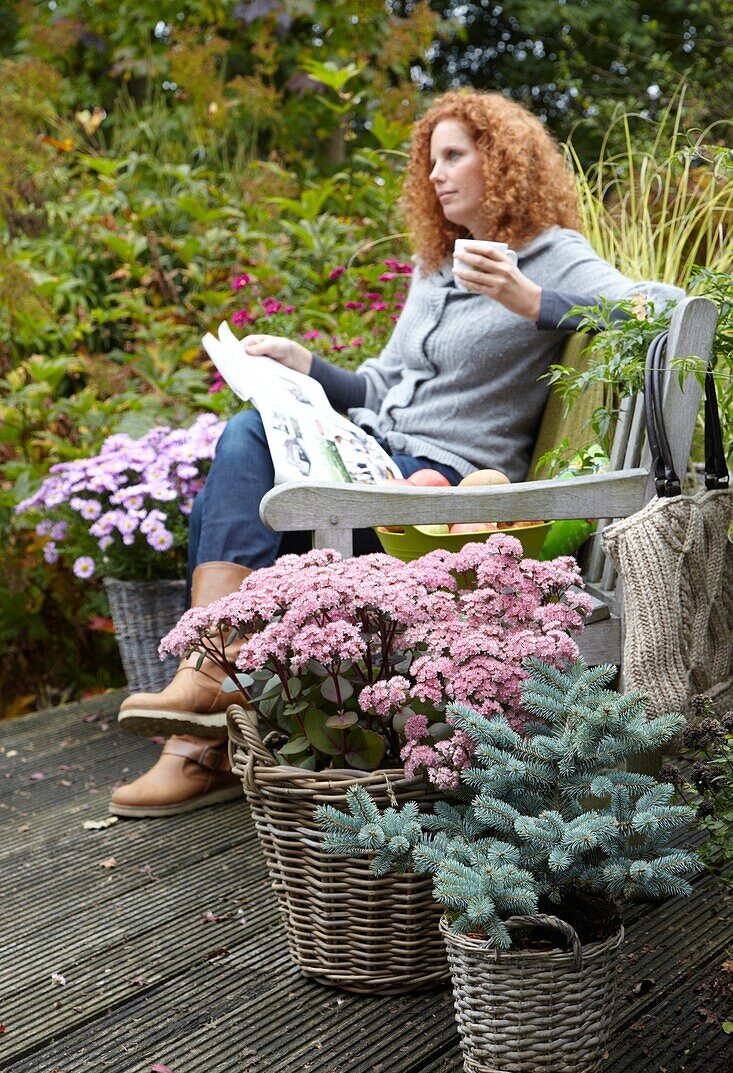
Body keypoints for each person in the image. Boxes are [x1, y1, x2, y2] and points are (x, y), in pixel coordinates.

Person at [109, 90, 682, 818]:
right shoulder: (434, 267)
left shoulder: (552, 253)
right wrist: (304, 364)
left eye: (454, 156)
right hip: (378, 448)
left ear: (502, 163)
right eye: (429, 160)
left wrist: (528, 298)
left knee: (252, 452)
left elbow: (660, 309)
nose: (436, 175)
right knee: (251, 430)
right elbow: (381, 384)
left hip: (438, 479)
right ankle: (208, 688)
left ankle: (202, 723)